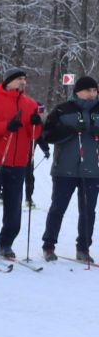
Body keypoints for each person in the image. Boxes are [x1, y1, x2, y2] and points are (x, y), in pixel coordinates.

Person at [0, 69, 43, 258]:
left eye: (25, 79)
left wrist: (37, 124)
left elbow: (34, 136)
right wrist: (5, 126)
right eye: (19, 79)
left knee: (14, 205)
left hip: (18, 162)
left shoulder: (30, 104)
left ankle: (6, 243)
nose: (23, 82)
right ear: (8, 81)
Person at [40, 74, 99, 263]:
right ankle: (49, 246)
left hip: (92, 170)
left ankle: (83, 248)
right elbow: (47, 135)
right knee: (58, 208)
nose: (92, 94)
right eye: (88, 90)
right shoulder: (62, 109)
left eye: (94, 90)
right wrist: (70, 131)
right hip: (64, 169)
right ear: (77, 92)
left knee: (88, 211)